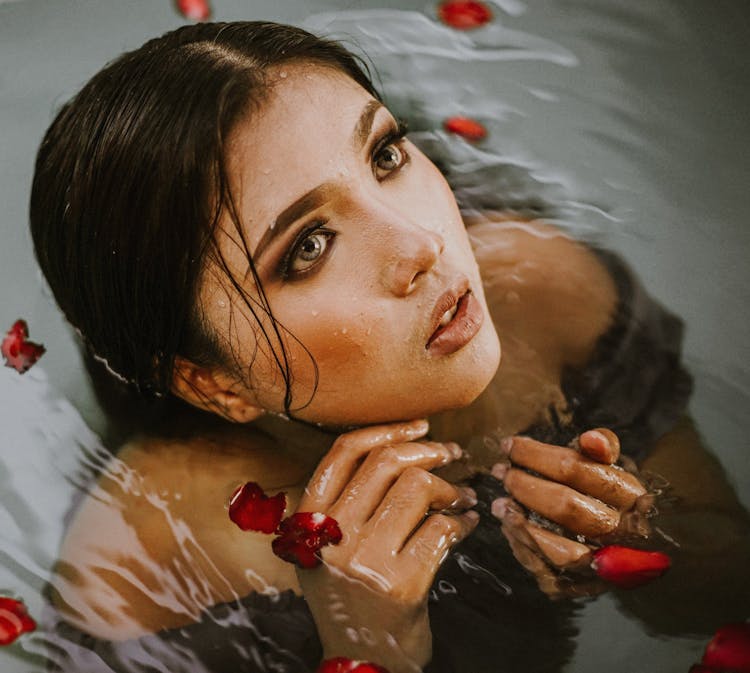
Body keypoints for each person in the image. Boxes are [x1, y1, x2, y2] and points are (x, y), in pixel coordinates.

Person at [30, 21, 748, 673]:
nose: (423, 243)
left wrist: (645, 534)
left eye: (386, 154)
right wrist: (366, 650)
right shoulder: (143, 569)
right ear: (215, 383)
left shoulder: (551, 298)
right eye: (309, 247)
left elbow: (723, 594)